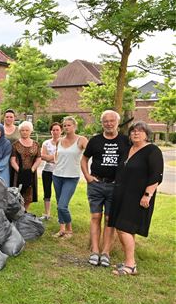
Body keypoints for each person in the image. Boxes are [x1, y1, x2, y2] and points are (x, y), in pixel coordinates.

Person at [108, 121, 163, 276]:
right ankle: (128, 261)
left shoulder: (152, 150)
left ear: (147, 134)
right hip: (122, 195)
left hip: (138, 197)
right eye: (133, 131)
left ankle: (131, 266)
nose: (135, 133)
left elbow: (156, 175)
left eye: (139, 131)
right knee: (125, 229)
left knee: (124, 227)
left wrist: (147, 195)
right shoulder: (128, 149)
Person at [81, 110, 130, 267]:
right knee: (96, 217)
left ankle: (106, 252)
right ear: (102, 123)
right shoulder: (95, 140)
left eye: (112, 121)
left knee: (110, 219)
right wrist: (88, 176)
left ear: (117, 122)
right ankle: (95, 251)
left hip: (116, 186)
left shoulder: (125, 141)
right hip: (96, 185)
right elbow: (84, 159)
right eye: (105, 121)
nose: (109, 124)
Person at [52, 116, 88, 238]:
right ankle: (61, 229)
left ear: (75, 126)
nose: (66, 127)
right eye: (65, 125)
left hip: (71, 177)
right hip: (57, 176)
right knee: (59, 204)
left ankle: (69, 229)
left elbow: (90, 154)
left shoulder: (81, 140)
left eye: (69, 125)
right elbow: (57, 156)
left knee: (63, 205)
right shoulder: (59, 141)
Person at [10, 121, 42, 211]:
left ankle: (25, 213)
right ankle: (17, 213)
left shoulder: (36, 144)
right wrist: (20, 171)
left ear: (30, 131)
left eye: (27, 130)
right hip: (18, 173)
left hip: (31, 172)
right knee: (18, 194)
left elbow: (39, 158)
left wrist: (32, 170)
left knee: (29, 195)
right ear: (20, 131)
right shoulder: (15, 144)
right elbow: (12, 160)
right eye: (22, 130)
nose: (24, 132)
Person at [39, 122, 63, 221]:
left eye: (57, 130)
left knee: (60, 194)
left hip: (60, 171)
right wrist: (56, 158)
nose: (55, 132)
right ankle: (47, 213)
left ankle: (60, 214)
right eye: (53, 130)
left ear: (61, 131)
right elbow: (43, 156)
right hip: (47, 171)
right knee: (47, 192)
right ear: (50, 131)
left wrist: (50, 158)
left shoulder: (64, 142)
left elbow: (65, 157)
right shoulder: (46, 143)